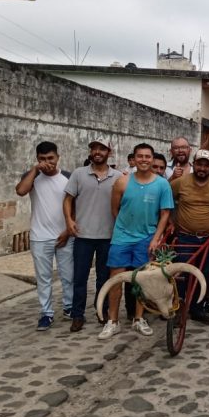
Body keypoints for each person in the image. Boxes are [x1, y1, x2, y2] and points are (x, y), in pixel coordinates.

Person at [99, 143, 174, 340]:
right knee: (116, 280)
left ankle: (139, 318)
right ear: (133, 158)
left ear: (152, 159)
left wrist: (155, 239)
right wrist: (124, 229)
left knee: (142, 281)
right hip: (121, 238)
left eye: (147, 156)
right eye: (139, 156)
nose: (143, 160)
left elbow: (165, 214)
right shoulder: (122, 182)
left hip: (146, 239)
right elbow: (115, 210)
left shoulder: (162, 184)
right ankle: (112, 321)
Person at [64, 138, 123, 332]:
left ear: (109, 152)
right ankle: (77, 314)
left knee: (103, 278)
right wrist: (69, 221)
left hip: (108, 235)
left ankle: (102, 311)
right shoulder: (79, 174)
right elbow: (68, 199)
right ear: (91, 152)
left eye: (102, 149)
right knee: (79, 277)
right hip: (83, 235)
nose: (98, 152)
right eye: (94, 148)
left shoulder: (118, 177)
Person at [15, 141, 74, 331]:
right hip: (39, 237)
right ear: (37, 159)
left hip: (65, 235)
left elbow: (75, 207)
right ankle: (46, 313)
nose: (47, 162)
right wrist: (35, 170)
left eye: (51, 158)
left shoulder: (68, 177)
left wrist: (68, 231)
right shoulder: (32, 177)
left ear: (58, 157)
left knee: (68, 276)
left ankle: (69, 307)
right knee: (43, 278)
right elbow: (21, 191)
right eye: (42, 159)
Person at [171, 149, 209, 325]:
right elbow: (166, 200)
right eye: (199, 164)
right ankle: (179, 308)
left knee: (204, 273)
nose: (202, 168)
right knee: (182, 273)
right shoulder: (181, 182)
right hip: (185, 237)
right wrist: (170, 222)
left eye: (206, 165)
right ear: (194, 164)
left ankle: (197, 309)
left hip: (208, 239)